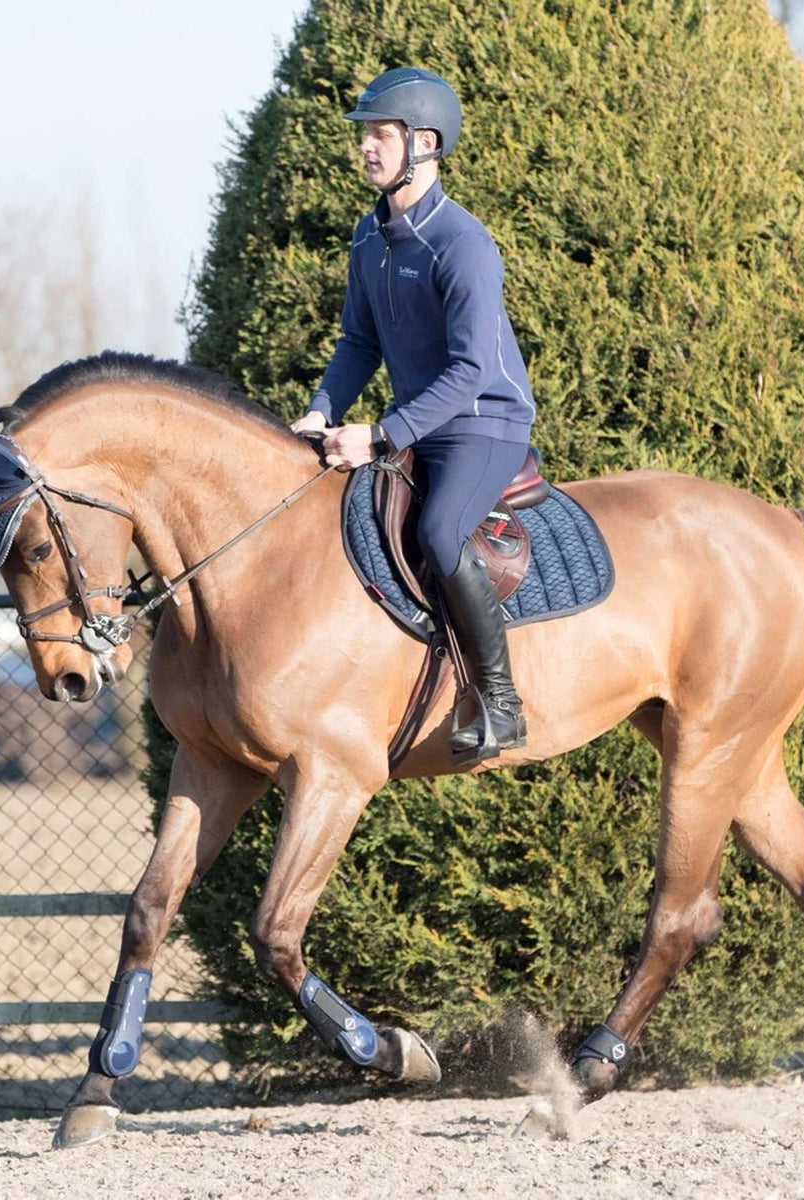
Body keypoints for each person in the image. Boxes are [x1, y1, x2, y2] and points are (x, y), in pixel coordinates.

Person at [292, 66, 536, 763]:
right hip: (422, 421)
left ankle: (500, 701)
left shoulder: (462, 245)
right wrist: (321, 410)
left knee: (438, 528)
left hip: (484, 422)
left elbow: (471, 373)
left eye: (380, 136)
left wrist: (381, 433)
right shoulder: (369, 242)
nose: (367, 149)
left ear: (423, 143)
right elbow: (359, 343)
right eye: (364, 137)